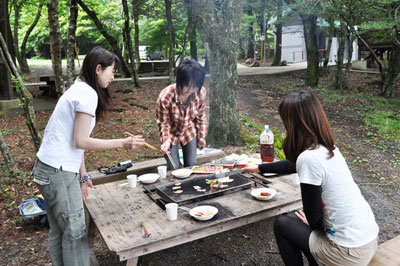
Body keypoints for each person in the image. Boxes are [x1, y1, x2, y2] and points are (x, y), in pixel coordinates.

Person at [32, 46, 144, 266]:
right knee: (74, 231)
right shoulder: (87, 94)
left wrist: (82, 176)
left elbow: (75, 142)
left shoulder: (79, 88)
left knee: (60, 230)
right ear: (98, 69)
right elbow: (81, 141)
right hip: (58, 172)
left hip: (48, 168)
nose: (113, 76)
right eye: (111, 71)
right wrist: (124, 142)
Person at [243, 91, 379, 266]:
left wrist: (312, 224)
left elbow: (314, 219)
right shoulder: (329, 149)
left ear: (294, 123)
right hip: (368, 238)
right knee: (297, 222)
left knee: (283, 224)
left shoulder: (308, 159)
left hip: (348, 253)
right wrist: (259, 168)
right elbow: (294, 164)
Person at [156, 59, 207, 170]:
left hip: (189, 131)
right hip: (171, 134)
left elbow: (201, 117)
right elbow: (163, 123)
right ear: (180, 81)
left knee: (191, 166)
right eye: (187, 86)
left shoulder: (200, 93)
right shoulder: (165, 97)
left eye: (194, 86)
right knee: (174, 168)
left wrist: (202, 138)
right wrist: (166, 140)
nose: (190, 90)